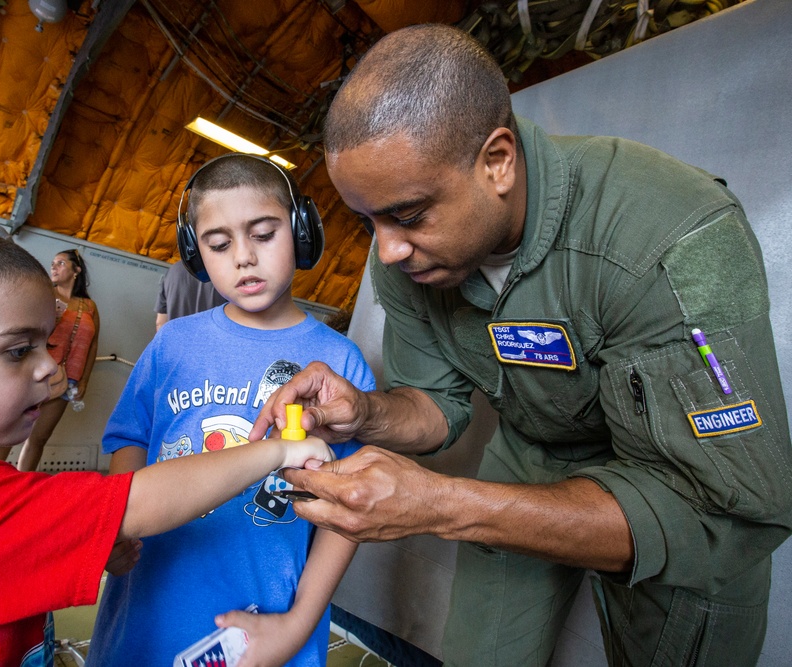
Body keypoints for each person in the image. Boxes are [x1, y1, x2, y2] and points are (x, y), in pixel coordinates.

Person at [252, 24, 792, 667]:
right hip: (534, 449)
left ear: (498, 161)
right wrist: (367, 413)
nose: (388, 249)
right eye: (368, 221)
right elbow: (437, 406)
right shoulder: (404, 262)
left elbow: (728, 516)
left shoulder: (668, 241)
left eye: (410, 216)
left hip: (680, 486)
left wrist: (446, 505)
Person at [0, 223, 333, 666]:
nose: (49, 365)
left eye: (46, 343)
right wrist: (278, 451)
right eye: (16, 351)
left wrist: (89, 549)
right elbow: (139, 503)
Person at [85, 153, 375, 667]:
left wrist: (298, 623)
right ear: (196, 255)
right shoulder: (172, 343)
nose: (243, 257)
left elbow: (345, 508)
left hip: (270, 622)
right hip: (148, 610)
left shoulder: (337, 361)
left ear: (302, 234)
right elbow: (128, 438)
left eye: (264, 235)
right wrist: (119, 527)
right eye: (219, 245)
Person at [0, 248, 99, 471]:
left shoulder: (90, 307)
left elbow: (93, 344)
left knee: (38, 438)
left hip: (67, 381)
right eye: (53, 262)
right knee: (8, 431)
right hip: (34, 374)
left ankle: (21, 485)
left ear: (76, 270)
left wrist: (84, 380)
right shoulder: (44, 294)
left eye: (61, 263)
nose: (53, 266)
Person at [155, 258, 225, 330]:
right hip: (213, 339)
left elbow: (160, 323)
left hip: (177, 339)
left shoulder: (173, 270)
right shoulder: (223, 272)